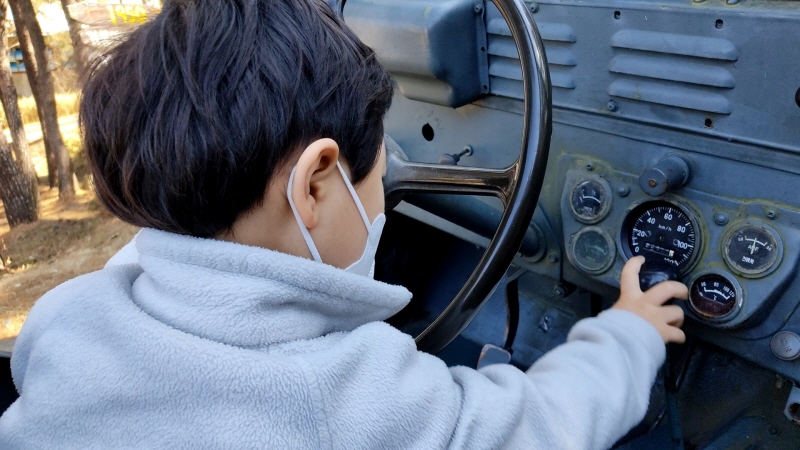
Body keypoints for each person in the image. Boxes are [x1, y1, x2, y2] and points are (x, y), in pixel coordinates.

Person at [0, 0, 688, 448]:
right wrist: (629, 330)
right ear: (317, 182)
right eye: (379, 177)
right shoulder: (338, 393)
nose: (387, 194)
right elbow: (545, 425)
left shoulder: (66, 317)